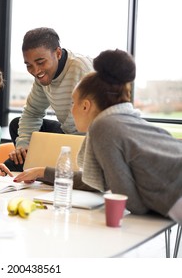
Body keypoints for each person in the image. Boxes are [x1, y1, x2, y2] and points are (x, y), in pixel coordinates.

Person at [15, 49, 182, 223]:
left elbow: (130, 203)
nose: (70, 110)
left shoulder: (104, 128)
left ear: (86, 106)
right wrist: (42, 172)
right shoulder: (123, 120)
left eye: (73, 102)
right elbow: (100, 182)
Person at [5, 27, 93, 171]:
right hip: (67, 136)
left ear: (57, 53)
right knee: (16, 125)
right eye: (29, 66)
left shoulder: (82, 69)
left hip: (88, 142)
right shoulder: (42, 77)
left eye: (40, 62)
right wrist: (23, 144)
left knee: (13, 167)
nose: (35, 71)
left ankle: (39, 169)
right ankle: (28, 165)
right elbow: (32, 112)